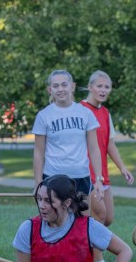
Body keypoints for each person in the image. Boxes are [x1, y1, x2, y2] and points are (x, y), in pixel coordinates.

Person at [80, 70, 135, 262]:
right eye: (99, 86)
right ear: (90, 87)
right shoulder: (80, 110)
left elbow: (109, 144)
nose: (103, 90)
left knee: (108, 217)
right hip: (86, 174)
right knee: (99, 214)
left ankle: (85, 247)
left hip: (103, 173)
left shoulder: (105, 113)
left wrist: (122, 168)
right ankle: (97, 260)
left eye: (107, 87)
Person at [32, 70, 103, 201]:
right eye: (55, 86)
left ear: (72, 86)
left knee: (82, 220)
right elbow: (38, 152)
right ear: (49, 90)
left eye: (64, 85)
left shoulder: (86, 113)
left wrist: (99, 179)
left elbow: (94, 149)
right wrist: (38, 183)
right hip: (52, 177)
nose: (60, 89)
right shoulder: (43, 116)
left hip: (81, 176)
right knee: (55, 219)